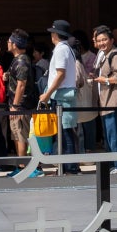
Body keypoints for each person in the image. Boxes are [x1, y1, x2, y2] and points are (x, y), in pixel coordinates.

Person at [40, 20, 85, 162]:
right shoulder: (68, 49)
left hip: (61, 96)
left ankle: (70, 166)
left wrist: (47, 94)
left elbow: (60, 74)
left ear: (55, 34)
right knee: (66, 133)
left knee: (65, 134)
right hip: (66, 95)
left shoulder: (61, 49)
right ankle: (69, 166)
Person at [91, 25, 117, 173]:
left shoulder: (115, 55)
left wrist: (106, 80)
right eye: (99, 40)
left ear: (112, 40)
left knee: (115, 136)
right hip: (105, 102)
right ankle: (114, 165)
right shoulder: (104, 56)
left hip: (114, 102)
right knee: (108, 137)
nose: (101, 43)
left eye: (104, 39)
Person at [5, 30, 40, 176]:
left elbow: (21, 84)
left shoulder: (21, 60)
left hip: (21, 105)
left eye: (9, 41)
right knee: (16, 134)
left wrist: (15, 105)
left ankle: (24, 168)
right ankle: (21, 167)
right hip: (18, 104)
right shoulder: (19, 59)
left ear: (14, 44)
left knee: (21, 136)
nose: (7, 43)